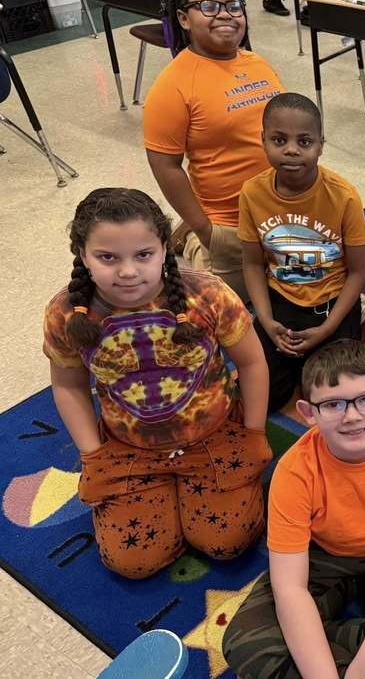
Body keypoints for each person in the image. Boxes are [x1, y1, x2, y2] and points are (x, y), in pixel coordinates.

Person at [43, 189, 271, 580]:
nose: (128, 271)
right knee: (132, 562)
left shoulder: (209, 294)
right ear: (82, 254)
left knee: (228, 542)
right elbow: (67, 386)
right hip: (128, 447)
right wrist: (92, 454)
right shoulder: (65, 313)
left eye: (143, 254)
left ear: (165, 249)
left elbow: (251, 363)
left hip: (213, 435)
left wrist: (253, 431)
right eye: (108, 257)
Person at [222, 340, 365, 679]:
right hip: (324, 554)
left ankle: (320, 644)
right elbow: (291, 588)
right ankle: (335, 651)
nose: (352, 416)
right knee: (242, 643)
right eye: (332, 404)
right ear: (307, 413)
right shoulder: (293, 472)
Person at [144, 0, 283, 301]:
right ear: (183, 18)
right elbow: (166, 167)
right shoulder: (172, 85)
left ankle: (183, 234)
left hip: (282, 213)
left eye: (234, 6)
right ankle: (192, 238)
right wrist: (208, 232)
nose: (225, 14)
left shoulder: (257, 62)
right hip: (228, 226)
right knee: (222, 314)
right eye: (208, 6)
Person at [238, 93, 365, 413]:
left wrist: (327, 329)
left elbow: (358, 271)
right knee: (262, 399)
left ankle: (357, 311)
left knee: (332, 397)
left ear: (321, 145)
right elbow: (253, 264)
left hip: (331, 303)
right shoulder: (252, 193)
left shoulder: (344, 197)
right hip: (281, 300)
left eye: (305, 141)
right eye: (279, 140)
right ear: (263, 140)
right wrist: (267, 320)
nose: (292, 150)